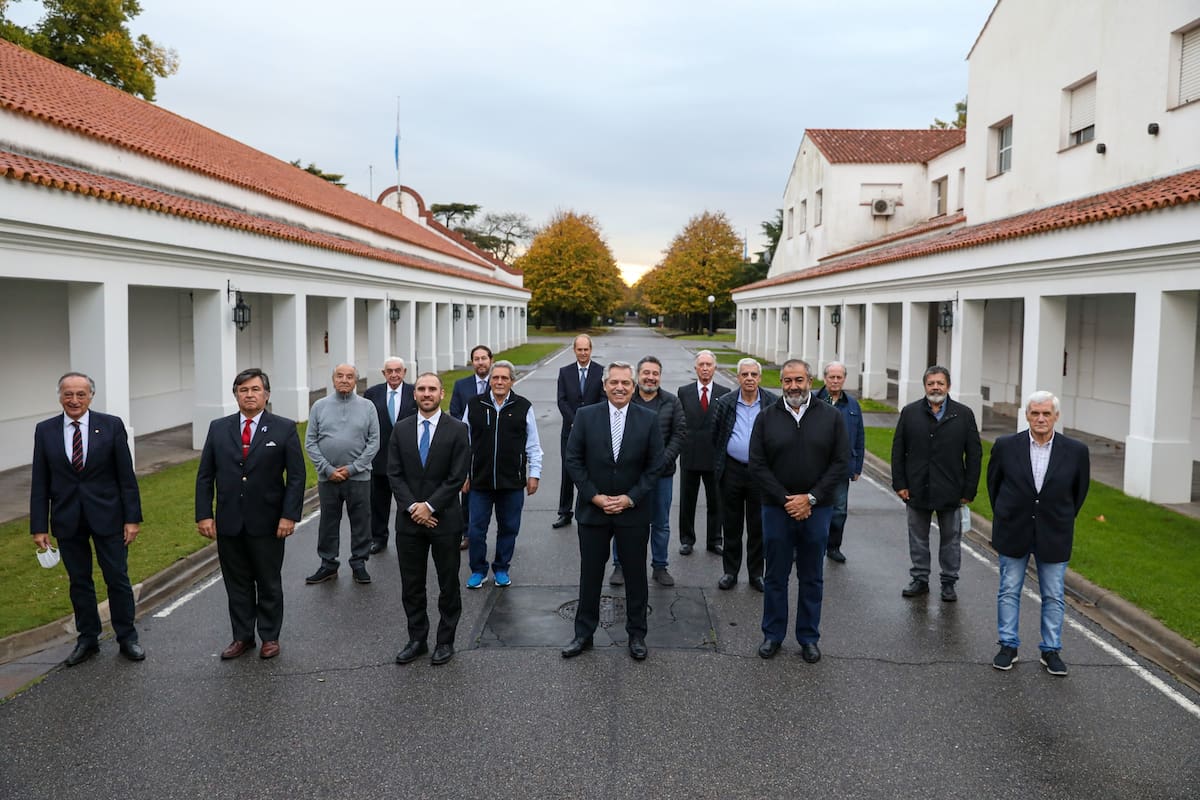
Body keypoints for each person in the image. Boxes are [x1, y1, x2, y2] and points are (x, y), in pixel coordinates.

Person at [30, 372, 145, 666]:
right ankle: (88, 638)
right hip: (68, 519)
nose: (74, 400)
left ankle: (127, 637)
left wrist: (132, 519)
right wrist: (39, 526)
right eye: (68, 394)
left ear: (91, 396)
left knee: (117, 578)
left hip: (109, 517)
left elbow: (126, 477)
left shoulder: (111, 426)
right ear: (60, 396)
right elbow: (40, 481)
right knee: (79, 582)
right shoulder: (45, 430)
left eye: (81, 394)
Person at [195, 368, 305, 660]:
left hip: (268, 522)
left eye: (255, 390)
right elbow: (205, 475)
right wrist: (204, 514)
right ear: (236, 395)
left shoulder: (283, 428)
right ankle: (242, 637)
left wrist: (289, 515)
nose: (249, 395)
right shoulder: (218, 428)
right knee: (237, 583)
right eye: (243, 390)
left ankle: (269, 636)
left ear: (266, 395)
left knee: (268, 581)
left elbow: (296, 477)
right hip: (229, 522)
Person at [562, 361, 664, 661]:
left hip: (633, 512)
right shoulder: (585, 416)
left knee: (635, 575)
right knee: (590, 575)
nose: (620, 387)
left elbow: (655, 466)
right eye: (614, 382)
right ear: (604, 385)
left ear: (633, 387)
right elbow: (573, 459)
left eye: (626, 383)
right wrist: (594, 496)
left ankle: (636, 635)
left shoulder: (648, 419)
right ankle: (583, 634)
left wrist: (630, 498)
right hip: (594, 512)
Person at [750, 360, 848, 663]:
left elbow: (841, 462)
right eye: (788, 380)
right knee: (776, 576)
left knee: (811, 577)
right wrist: (786, 500)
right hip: (776, 509)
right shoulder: (766, 417)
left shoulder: (831, 417)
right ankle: (773, 635)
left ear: (810, 381)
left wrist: (812, 498)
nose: (794, 386)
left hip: (817, 510)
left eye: (800, 380)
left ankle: (808, 637)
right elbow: (757, 464)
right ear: (780, 382)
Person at [988, 391, 1090, 676]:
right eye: (1035, 413)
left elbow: (1078, 494)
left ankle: (1051, 650)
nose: (1041, 418)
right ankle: (1008, 646)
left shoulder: (1076, 451)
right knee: (1009, 590)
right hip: (1014, 529)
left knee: (1054, 594)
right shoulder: (1006, 446)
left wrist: (1060, 517)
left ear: (1056, 416)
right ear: (1027, 416)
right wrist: (1007, 514)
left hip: (1054, 531)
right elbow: (994, 486)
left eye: (1046, 413)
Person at [388, 373, 471, 666]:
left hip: (445, 521)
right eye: (421, 389)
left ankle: (445, 641)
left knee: (448, 583)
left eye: (431, 389)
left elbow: (457, 476)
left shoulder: (458, 429)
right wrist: (414, 507)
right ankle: (417, 639)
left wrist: (430, 507)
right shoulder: (400, 429)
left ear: (442, 393)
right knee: (412, 584)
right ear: (414, 394)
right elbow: (394, 474)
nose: (426, 394)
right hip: (409, 522)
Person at [891, 365, 982, 602]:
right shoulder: (910, 413)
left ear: (948, 386)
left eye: (940, 383)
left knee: (951, 539)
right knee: (918, 537)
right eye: (931, 383)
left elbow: (974, 455)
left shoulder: (963, 414)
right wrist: (900, 483)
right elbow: (898, 450)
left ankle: (949, 582)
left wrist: (969, 490)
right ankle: (920, 579)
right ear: (925, 386)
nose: (935, 387)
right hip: (916, 488)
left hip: (952, 489)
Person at [463, 360, 543, 589]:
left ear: (512, 381)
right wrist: (463, 474)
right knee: (476, 530)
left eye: (504, 378)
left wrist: (533, 474)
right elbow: (463, 442)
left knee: (508, 528)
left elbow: (533, 444)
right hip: (480, 481)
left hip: (512, 482)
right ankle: (478, 570)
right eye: (495, 378)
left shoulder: (523, 406)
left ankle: (501, 568)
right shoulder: (474, 404)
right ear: (489, 380)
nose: (499, 382)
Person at [610, 355, 687, 587]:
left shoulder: (672, 402)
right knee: (623, 521)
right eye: (646, 373)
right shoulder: (627, 401)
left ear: (660, 377)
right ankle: (619, 566)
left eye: (655, 373)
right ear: (638, 376)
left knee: (660, 523)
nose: (650, 377)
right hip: (630, 475)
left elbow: (679, 433)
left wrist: (660, 462)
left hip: (662, 475)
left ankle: (660, 567)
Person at [304, 363, 380, 585]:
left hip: (359, 477)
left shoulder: (368, 407)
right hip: (328, 478)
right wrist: (327, 470)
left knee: (361, 522)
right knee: (328, 522)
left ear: (356, 380)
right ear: (333, 379)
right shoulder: (319, 406)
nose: (344, 380)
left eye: (349, 376)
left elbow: (374, 442)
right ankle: (328, 564)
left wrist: (353, 468)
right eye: (340, 376)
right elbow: (310, 442)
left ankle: (359, 562)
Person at [710, 358, 778, 592]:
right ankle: (730, 572)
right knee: (732, 524)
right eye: (744, 374)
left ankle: (756, 574)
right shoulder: (726, 402)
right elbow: (716, 435)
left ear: (759, 378)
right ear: (738, 378)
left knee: (758, 525)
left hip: (760, 473)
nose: (749, 379)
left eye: (753, 375)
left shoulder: (772, 402)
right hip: (732, 470)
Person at [677, 349, 730, 557]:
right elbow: (680, 422)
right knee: (687, 500)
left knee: (716, 500)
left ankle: (715, 540)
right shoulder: (684, 391)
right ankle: (687, 540)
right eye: (702, 365)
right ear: (696, 368)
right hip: (690, 453)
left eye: (709, 365)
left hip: (714, 456)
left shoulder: (725, 392)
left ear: (715, 368)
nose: (705, 368)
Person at [363, 357, 416, 555]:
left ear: (404, 372)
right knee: (378, 502)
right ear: (383, 373)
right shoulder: (371, 393)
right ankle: (378, 538)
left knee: (408, 500)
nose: (394, 374)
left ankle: (411, 537)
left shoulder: (415, 392)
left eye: (397, 370)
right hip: (379, 458)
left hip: (409, 459)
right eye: (389, 371)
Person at [813, 361, 865, 563]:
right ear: (825, 378)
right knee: (810, 507)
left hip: (841, 467)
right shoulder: (814, 400)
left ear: (844, 379)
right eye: (831, 377)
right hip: (814, 466)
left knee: (839, 510)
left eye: (839, 377)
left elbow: (860, 436)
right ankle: (802, 547)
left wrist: (857, 466)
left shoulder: (852, 405)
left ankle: (833, 547)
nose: (835, 381)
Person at [553, 334, 604, 529]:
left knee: (591, 469)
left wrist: (587, 422)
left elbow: (602, 398)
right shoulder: (564, 372)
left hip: (593, 431)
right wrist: (575, 421)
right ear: (574, 350)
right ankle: (564, 512)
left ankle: (590, 507)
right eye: (579, 349)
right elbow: (561, 400)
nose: (583, 353)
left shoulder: (600, 371)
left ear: (591, 350)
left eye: (586, 349)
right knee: (568, 471)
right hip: (570, 430)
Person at [449, 344, 494, 550]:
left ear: (490, 360)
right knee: (467, 491)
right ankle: (467, 532)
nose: (480, 362)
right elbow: (455, 411)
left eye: (484, 358)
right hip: (468, 445)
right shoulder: (461, 385)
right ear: (472, 362)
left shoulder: (499, 382)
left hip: (493, 444)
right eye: (476, 359)